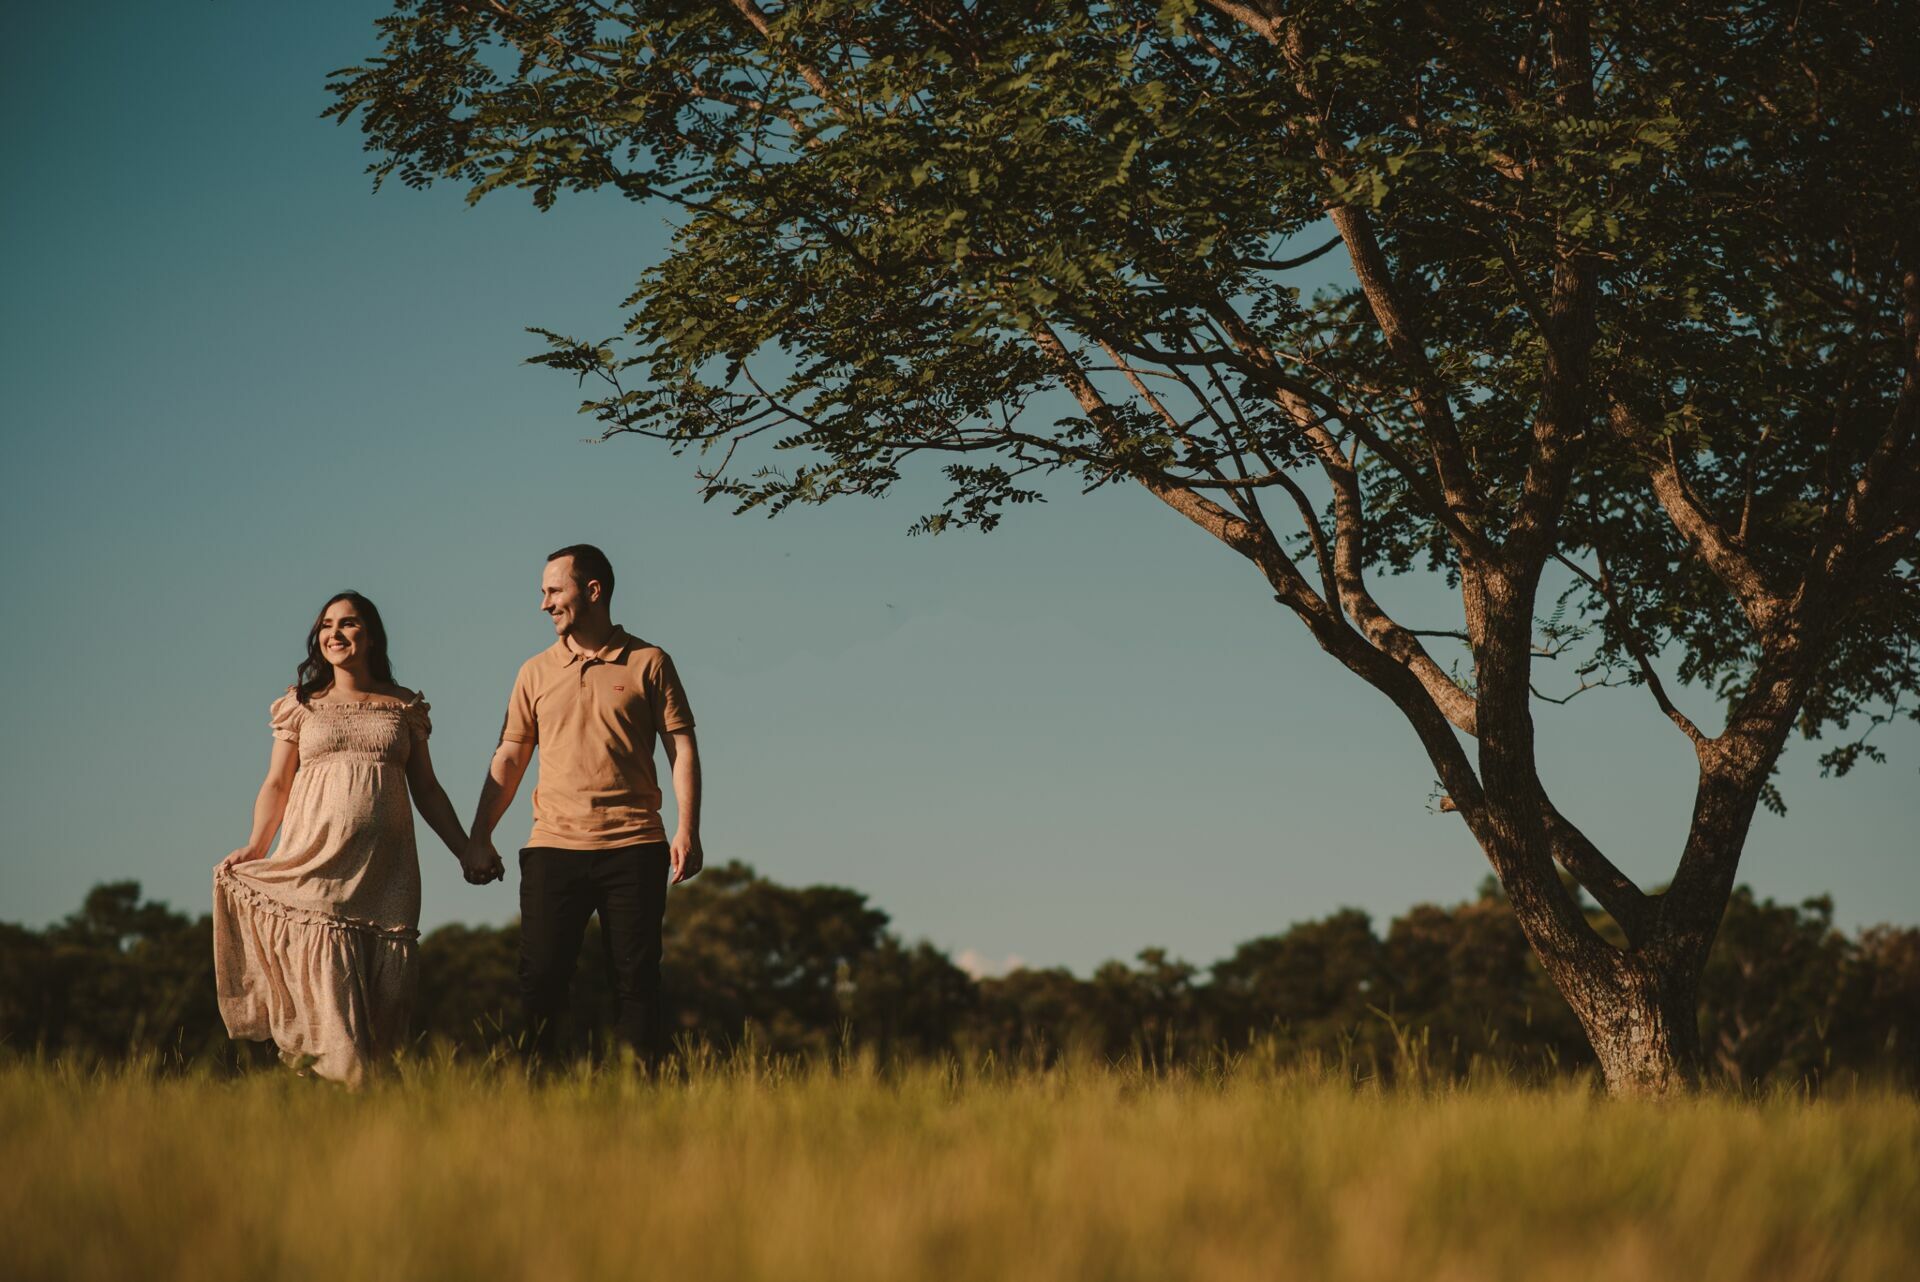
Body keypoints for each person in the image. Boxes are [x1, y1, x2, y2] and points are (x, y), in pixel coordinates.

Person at [212, 591, 480, 1086]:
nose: (335, 633)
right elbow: (277, 784)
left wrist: (466, 848)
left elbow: (427, 788)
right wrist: (256, 846)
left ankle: (368, 1120)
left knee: (386, 1010)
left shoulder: (403, 706)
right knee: (331, 1002)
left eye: (349, 623)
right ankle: (352, 1092)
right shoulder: (302, 706)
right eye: (327, 625)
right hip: (316, 865)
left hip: (388, 875)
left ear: (371, 635)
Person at [462, 543, 703, 1066]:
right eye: (543, 593)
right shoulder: (534, 671)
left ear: (592, 591)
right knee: (541, 979)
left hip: (635, 843)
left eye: (554, 591)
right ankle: (534, 1101)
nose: (544, 604)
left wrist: (688, 829)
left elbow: (681, 747)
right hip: (554, 846)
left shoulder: (649, 662)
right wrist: (480, 834)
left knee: (637, 980)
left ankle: (641, 1101)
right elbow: (510, 755)